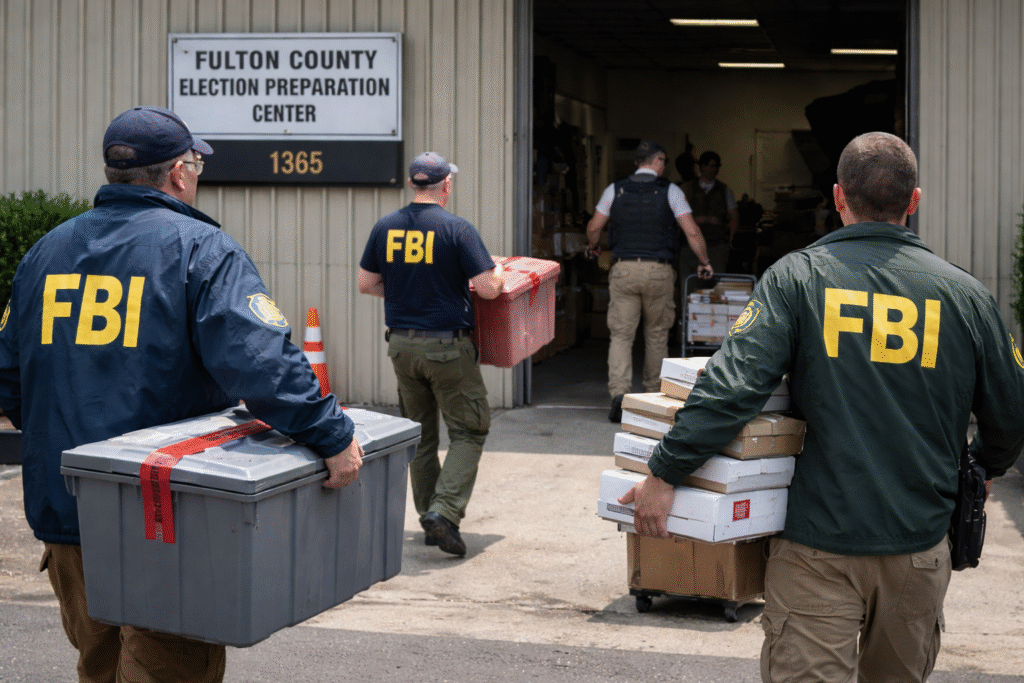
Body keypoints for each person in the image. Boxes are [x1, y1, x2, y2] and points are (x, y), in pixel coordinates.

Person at [621, 132, 1024, 682]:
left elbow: (733, 386)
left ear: (837, 198)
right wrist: (981, 465)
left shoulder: (798, 278)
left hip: (817, 550)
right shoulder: (967, 297)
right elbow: (1012, 412)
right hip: (918, 547)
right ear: (915, 201)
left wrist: (664, 473)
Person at [0, 106, 364, 683]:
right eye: (195, 162)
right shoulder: (202, 250)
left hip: (68, 512)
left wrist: (68, 440)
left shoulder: (44, 254)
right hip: (163, 519)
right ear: (179, 171)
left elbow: (11, 385)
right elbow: (263, 365)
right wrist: (332, 436)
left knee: (98, 668)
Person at [357, 152, 504, 558]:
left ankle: (429, 516)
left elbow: (366, 284)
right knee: (470, 430)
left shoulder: (385, 227)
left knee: (419, 435)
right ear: (446, 186)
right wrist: (500, 273)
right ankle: (444, 510)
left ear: (411, 185)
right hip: (446, 347)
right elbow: (489, 288)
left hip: (402, 347)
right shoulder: (457, 229)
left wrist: (407, 292)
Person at [585, 141, 713, 423]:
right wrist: (704, 261)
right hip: (659, 271)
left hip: (624, 270)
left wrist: (594, 246)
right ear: (657, 162)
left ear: (636, 163)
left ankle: (619, 396)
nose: (664, 165)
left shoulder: (614, 189)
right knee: (656, 335)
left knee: (621, 335)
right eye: (664, 161)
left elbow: (594, 226)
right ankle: (653, 397)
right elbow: (691, 232)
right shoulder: (672, 191)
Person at [681, 150, 739, 274]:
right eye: (709, 166)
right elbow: (677, 214)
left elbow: (734, 216)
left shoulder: (724, 190)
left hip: (716, 245)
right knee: (690, 284)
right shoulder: (687, 188)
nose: (712, 170)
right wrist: (695, 220)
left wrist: (730, 241)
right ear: (701, 167)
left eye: (715, 166)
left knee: (716, 285)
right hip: (691, 245)